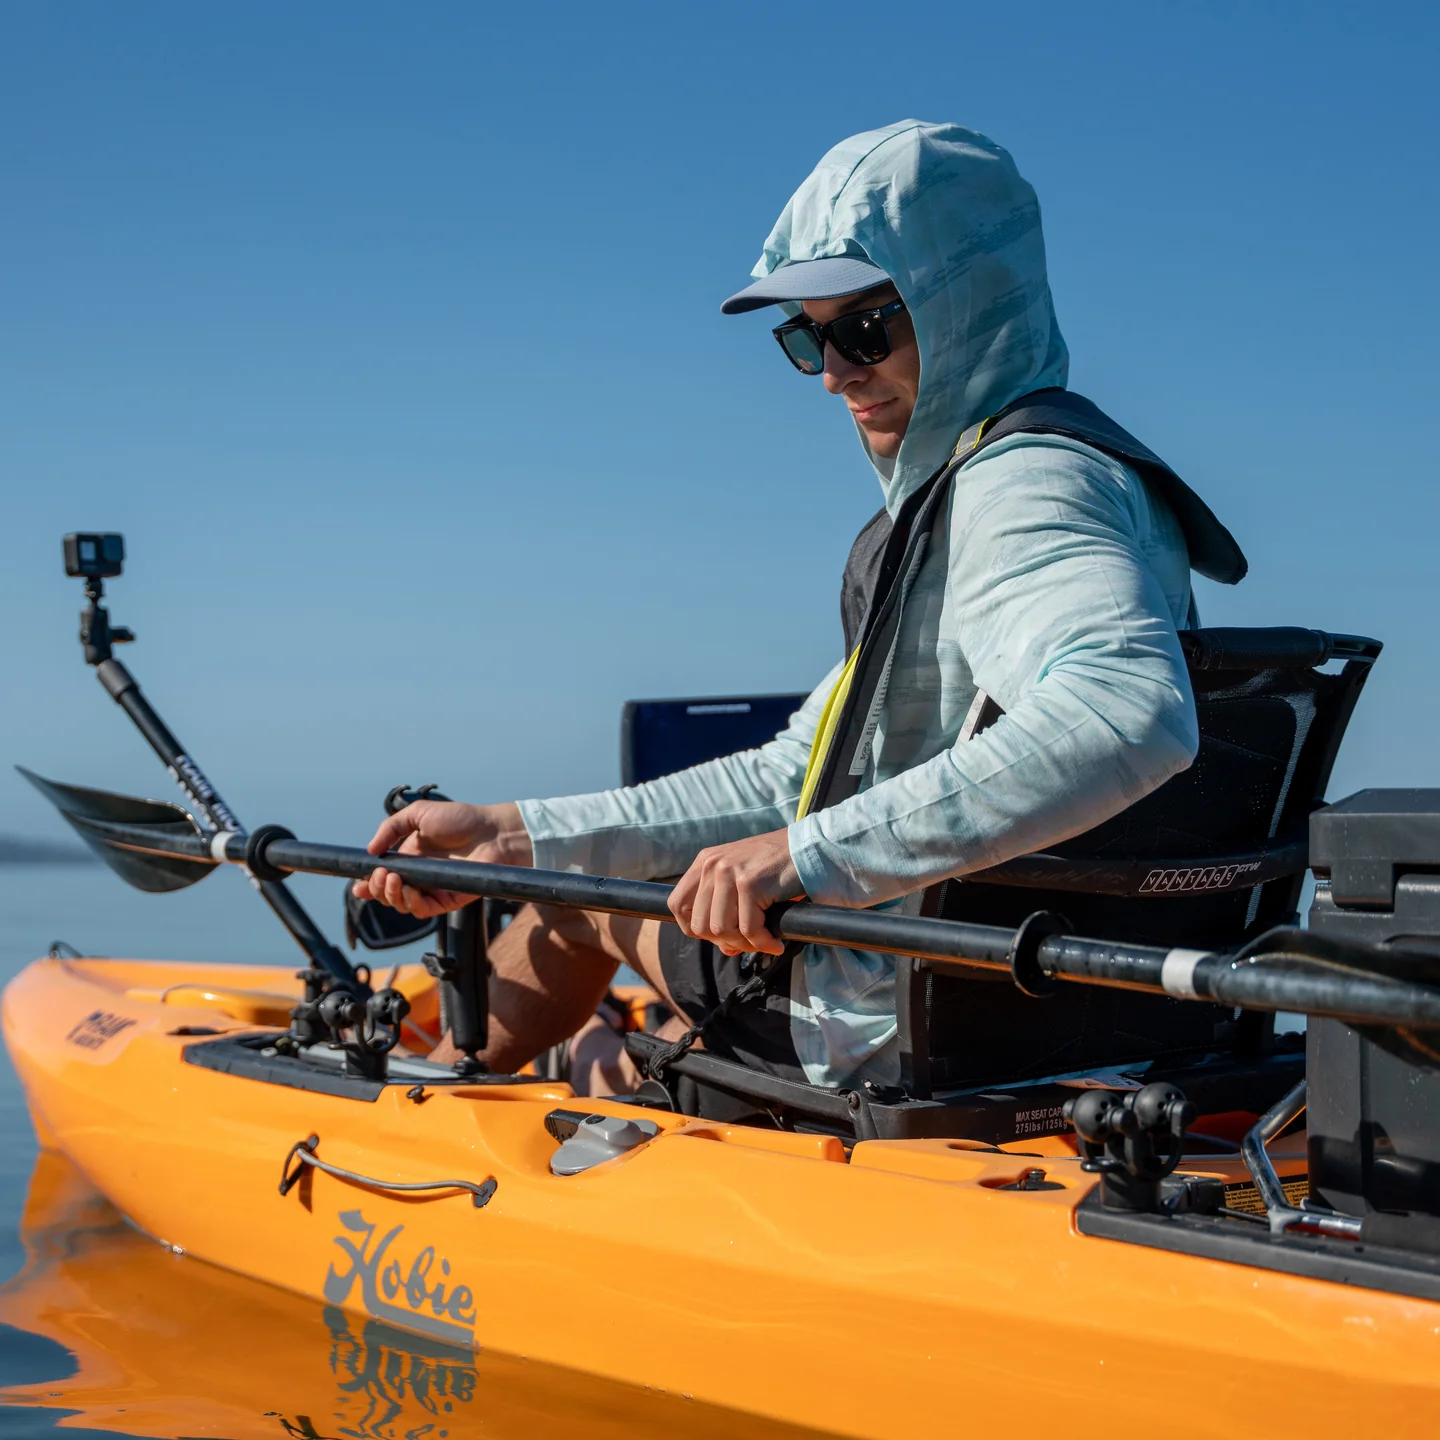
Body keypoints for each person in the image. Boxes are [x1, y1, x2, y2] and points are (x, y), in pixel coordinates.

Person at [353, 120, 1244, 1094]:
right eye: (807, 337)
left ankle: (409, 1116)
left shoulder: (1019, 487)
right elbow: (791, 777)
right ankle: (596, 1065)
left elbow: (1127, 712)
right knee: (600, 922)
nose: (833, 373)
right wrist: (507, 833)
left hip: (895, 1025)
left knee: (570, 903)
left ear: (964, 301)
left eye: (864, 330)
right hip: (1057, 1017)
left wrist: (804, 857)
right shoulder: (1040, 480)